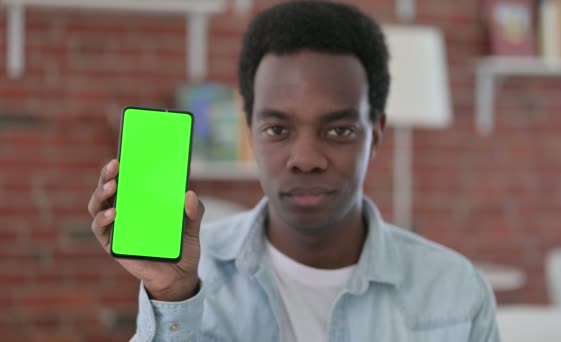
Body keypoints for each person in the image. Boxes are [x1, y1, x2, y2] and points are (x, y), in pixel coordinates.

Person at [88, 1, 500, 341]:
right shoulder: (189, 273)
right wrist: (172, 296)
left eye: (339, 130)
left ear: (375, 134)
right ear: (250, 131)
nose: (305, 158)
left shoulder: (456, 291)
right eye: (278, 129)